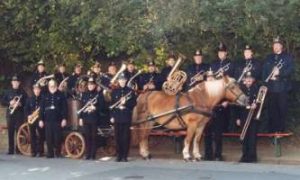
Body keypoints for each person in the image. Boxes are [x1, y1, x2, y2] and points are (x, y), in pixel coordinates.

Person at [204, 43, 234, 161]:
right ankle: (208, 154)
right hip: (208, 110)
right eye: (219, 52)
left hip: (221, 102)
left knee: (218, 133)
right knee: (207, 133)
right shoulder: (213, 64)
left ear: (226, 53)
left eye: (223, 52)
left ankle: (218, 154)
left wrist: (224, 76)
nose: (221, 54)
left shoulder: (231, 64)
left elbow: (230, 86)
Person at [262, 37, 294, 133]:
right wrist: (265, 83)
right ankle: (272, 132)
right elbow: (264, 72)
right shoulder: (269, 57)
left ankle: (280, 131)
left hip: (282, 89)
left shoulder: (287, 57)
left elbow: (290, 71)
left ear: (281, 46)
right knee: (272, 110)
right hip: (271, 88)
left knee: (282, 110)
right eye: (274, 45)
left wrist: (279, 73)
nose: (275, 47)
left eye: (277, 45)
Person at [110, 73, 136, 162]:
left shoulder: (130, 91)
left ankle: (124, 156)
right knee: (117, 137)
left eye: (123, 80)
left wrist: (125, 103)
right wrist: (112, 116)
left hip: (126, 116)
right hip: (117, 117)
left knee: (125, 137)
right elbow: (111, 105)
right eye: (120, 80)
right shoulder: (114, 91)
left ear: (126, 81)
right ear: (118, 81)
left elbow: (133, 104)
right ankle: (118, 155)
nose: (122, 81)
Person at [39, 79, 68, 158]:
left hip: (58, 119)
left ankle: (58, 153)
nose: (52, 87)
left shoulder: (61, 95)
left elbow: (64, 108)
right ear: (48, 86)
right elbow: (41, 109)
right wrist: (40, 119)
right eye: (50, 85)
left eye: (53, 85)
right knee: (48, 137)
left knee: (57, 137)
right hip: (47, 120)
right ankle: (50, 153)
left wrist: (64, 119)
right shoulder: (45, 95)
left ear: (56, 85)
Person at [235, 72, 259, 163]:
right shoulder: (240, 90)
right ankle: (244, 156)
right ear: (244, 80)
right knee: (244, 136)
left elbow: (262, 103)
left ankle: (253, 156)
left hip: (253, 116)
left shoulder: (257, 89)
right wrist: (237, 118)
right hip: (243, 115)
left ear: (253, 80)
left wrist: (256, 105)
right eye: (247, 79)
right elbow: (236, 105)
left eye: (250, 79)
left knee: (253, 137)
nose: (248, 80)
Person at [79, 77, 105, 160]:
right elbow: (82, 107)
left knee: (94, 137)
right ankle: (88, 154)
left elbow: (102, 107)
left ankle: (93, 154)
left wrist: (95, 108)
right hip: (86, 118)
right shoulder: (84, 94)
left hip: (94, 119)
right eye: (89, 85)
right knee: (87, 136)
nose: (90, 86)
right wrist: (80, 118)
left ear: (95, 85)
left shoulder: (98, 95)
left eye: (92, 85)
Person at [2, 75, 27, 155]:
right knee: (10, 132)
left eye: (17, 82)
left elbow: (27, 102)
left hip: (19, 114)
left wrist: (20, 104)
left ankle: (18, 149)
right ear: (12, 83)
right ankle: (11, 150)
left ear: (19, 83)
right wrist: (9, 103)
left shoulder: (23, 92)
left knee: (19, 132)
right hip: (10, 115)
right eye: (14, 82)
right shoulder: (7, 92)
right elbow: (2, 102)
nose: (15, 83)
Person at [24, 84, 45, 157]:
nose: (37, 90)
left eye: (38, 89)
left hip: (39, 120)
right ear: (33, 90)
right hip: (32, 119)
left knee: (41, 135)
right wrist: (28, 115)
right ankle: (33, 151)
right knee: (32, 136)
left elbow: (43, 110)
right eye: (35, 89)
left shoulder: (43, 99)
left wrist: (41, 119)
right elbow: (26, 109)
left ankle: (41, 152)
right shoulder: (29, 99)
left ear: (40, 90)